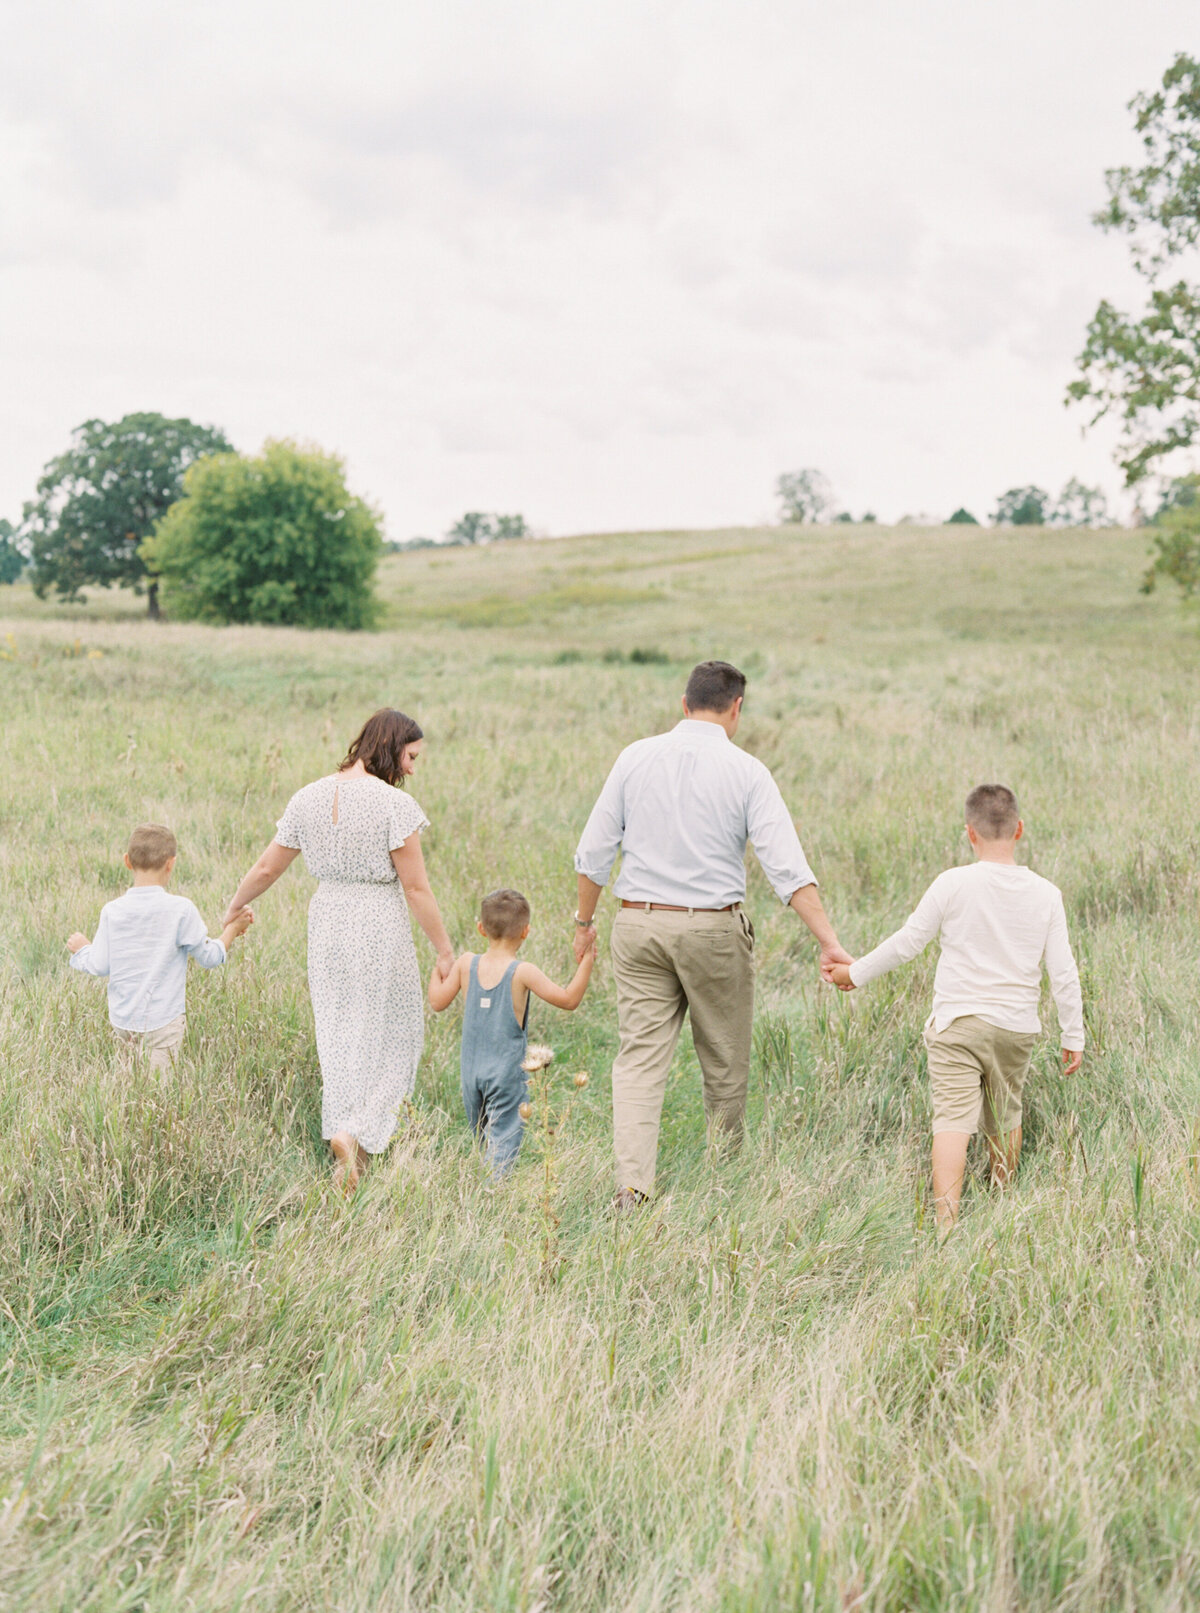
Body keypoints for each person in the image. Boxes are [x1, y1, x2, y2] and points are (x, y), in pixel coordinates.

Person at [573, 660, 849, 1209]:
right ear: (736, 709)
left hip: (639, 922)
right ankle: (722, 1181)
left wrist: (584, 925)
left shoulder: (634, 757)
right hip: (711, 929)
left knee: (638, 1061)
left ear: (683, 703)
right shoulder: (747, 771)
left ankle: (632, 1187)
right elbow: (786, 869)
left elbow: (594, 853)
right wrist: (828, 940)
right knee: (724, 1059)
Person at [828, 784, 1084, 1233]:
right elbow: (1063, 971)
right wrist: (1072, 1034)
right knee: (1007, 1115)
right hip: (1015, 1027)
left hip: (956, 1024)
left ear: (970, 833)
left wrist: (855, 973)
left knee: (951, 1121)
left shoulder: (952, 883)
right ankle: (1002, 1204)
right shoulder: (1047, 894)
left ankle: (946, 1226)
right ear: (1019, 829)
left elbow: (908, 943)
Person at [223, 709, 454, 1192]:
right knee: (395, 1031)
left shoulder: (307, 796)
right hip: (376, 922)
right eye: (411, 756)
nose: (412, 768)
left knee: (339, 1032)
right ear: (391, 748)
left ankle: (346, 1134)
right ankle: (357, 1132)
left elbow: (267, 868)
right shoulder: (393, 805)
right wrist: (444, 950)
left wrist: (235, 905)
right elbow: (417, 890)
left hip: (327, 920)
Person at [429, 888, 595, 1176]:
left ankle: (483, 1185)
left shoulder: (466, 963)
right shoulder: (523, 971)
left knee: (483, 1140)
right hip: (505, 1076)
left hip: (471, 1073)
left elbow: (436, 1001)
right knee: (503, 1145)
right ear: (526, 931)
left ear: (481, 928)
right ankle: (493, 1197)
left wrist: (436, 970)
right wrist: (589, 959)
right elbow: (569, 1000)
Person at [67, 822, 253, 1069]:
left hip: (123, 1020)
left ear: (127, 861)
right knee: (158, 1093)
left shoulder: (112, 911)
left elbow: (99, 965)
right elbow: (209, 958)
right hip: (164, 1021)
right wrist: (232, 930)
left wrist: (83, 949)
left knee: (128, 1086)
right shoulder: (181, 910)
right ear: (171, 863)